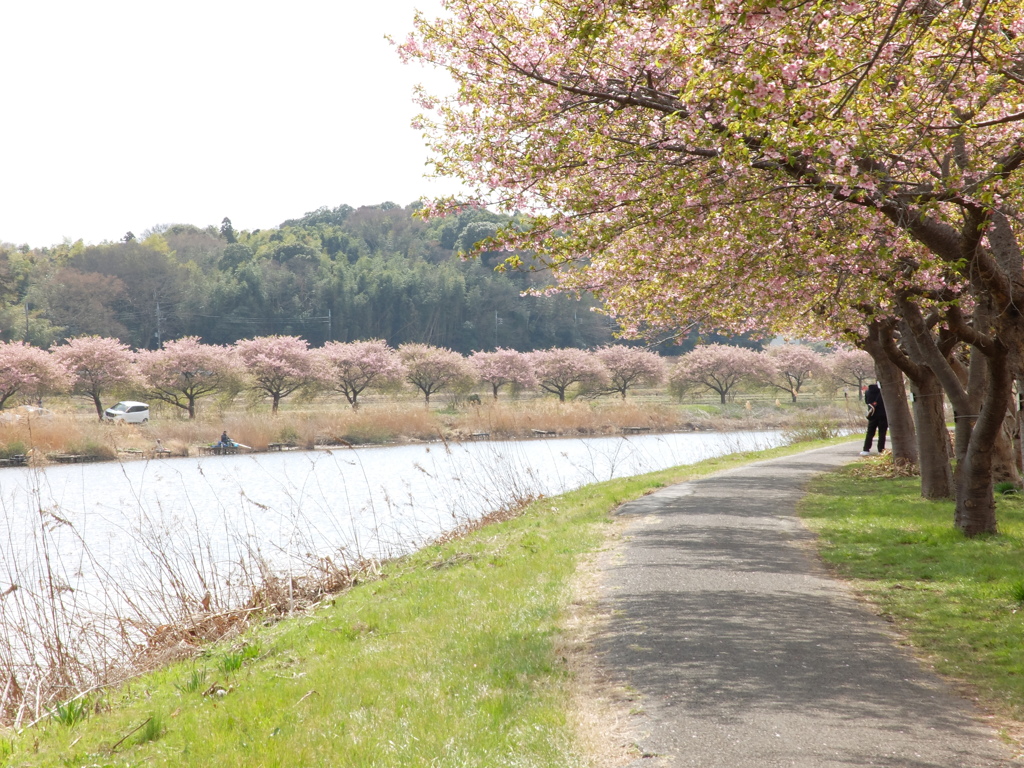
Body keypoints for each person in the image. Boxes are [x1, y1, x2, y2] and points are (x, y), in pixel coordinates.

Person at [861, 383, 887, 456]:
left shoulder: (867, 392)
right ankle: (881, 450)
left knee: (870, 433)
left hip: (872, 415)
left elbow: (867, 402)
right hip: (883, 415)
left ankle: (866, 449)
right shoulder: (883, 392)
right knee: (882, 433)